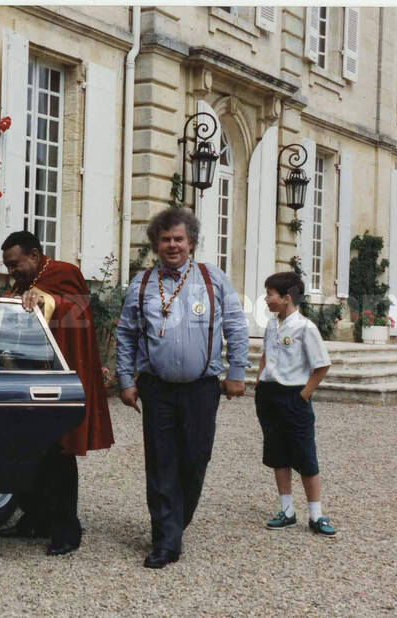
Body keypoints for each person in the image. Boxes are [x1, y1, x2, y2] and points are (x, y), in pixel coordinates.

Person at [116, 207, 249, 569]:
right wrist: (126, 380)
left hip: (202, 388)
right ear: (156, 244)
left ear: (191, 242)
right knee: (161, 462)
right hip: (156, 387)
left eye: (179, 239)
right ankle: (165, 538)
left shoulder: (213, 279)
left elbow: (236, 327)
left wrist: (236, 372)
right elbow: (126, 335)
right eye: (165, 239)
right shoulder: (141, 283)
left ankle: (176, 524)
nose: (172, 245)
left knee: (194, 459)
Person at [0, 230, 114, 556]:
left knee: (59, 457)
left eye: (15, 264)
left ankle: (67, 529)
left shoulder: (66, 273)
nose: (11, 272)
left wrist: (47, 300)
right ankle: (34, 520)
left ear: (35, 255)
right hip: (27, 378)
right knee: (27, 454)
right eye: (7, 266)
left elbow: (78, 318)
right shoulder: (24, 283)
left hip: (57, 382)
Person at [255, 271, 335, 537]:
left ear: (287, 298)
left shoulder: (305, 328)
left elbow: (321, 365)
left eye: (270, 294)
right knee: (278, 453)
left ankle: (316, 514)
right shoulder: (270, 325)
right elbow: (267, 354)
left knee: (304, 454)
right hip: (270, 396)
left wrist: (303, 395)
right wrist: (260, 380)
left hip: (293, 397)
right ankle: (287, 510)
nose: (266, 299)